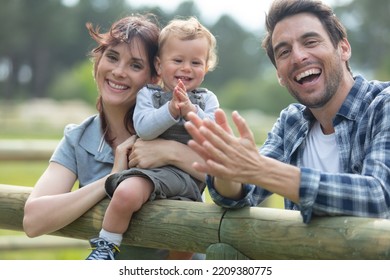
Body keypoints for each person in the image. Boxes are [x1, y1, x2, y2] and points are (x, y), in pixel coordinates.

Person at [184, 0, 390, 224]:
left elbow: (379, 198)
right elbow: (243, 194)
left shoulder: (383, 105)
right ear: (280, 76)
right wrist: (228, 171)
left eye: (310, 41)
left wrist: (262, 170)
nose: (298, 56)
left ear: (343, 48)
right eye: (284, 52)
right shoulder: (291, 122)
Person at [22, 14, 206, 260]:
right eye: (112, 57)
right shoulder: (79, 138)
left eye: (135, 65)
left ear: (155, 77)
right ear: (97, 61)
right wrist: (112, 179)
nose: (119, 72)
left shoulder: (176, 126)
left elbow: (230, 183)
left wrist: (171, 152)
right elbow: (33, 220)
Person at [89, 16, 219, 260]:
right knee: (126, 192)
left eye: (196, 62)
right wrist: (171, 111)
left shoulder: (207, 100)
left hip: (190, 182)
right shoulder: (149, 95)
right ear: (159, 66)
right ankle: (105, 247)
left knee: (193, 230)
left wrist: (191, 111)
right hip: (153, 173)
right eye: (178, 60)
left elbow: (212, 136)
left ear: (205, 68)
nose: (186, 68)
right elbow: (145, 129)